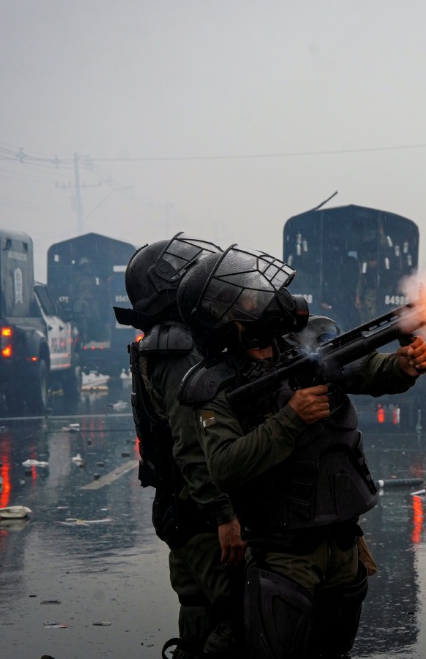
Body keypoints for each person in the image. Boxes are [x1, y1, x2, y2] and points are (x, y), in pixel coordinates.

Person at [175, 246, 426, 659]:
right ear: (228, 320)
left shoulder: (306, 344)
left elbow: (367, 369)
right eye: (248, 297)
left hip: (343, 540)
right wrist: (291, 419)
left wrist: (402, 366)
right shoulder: (216, 385)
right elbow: (224, 466)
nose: (264, 298)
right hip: (284, 552)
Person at [113, 234, 246, 659]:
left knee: (198, 613)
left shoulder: (163, 342)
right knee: (238, 617)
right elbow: (193, 443)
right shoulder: (179, 348)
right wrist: (224, 515)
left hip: (181, 507)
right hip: (198, 512)